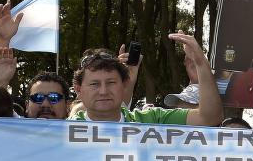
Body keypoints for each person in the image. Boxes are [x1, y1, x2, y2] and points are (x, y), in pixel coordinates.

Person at [71, 33, 222, 126]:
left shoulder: (150, 120)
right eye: (94, 84)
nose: (103, 91)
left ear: (124, 85)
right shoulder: (62, 130)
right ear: (78, 89)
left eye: (111, 83)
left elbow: (210, 117)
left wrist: (201, 63)